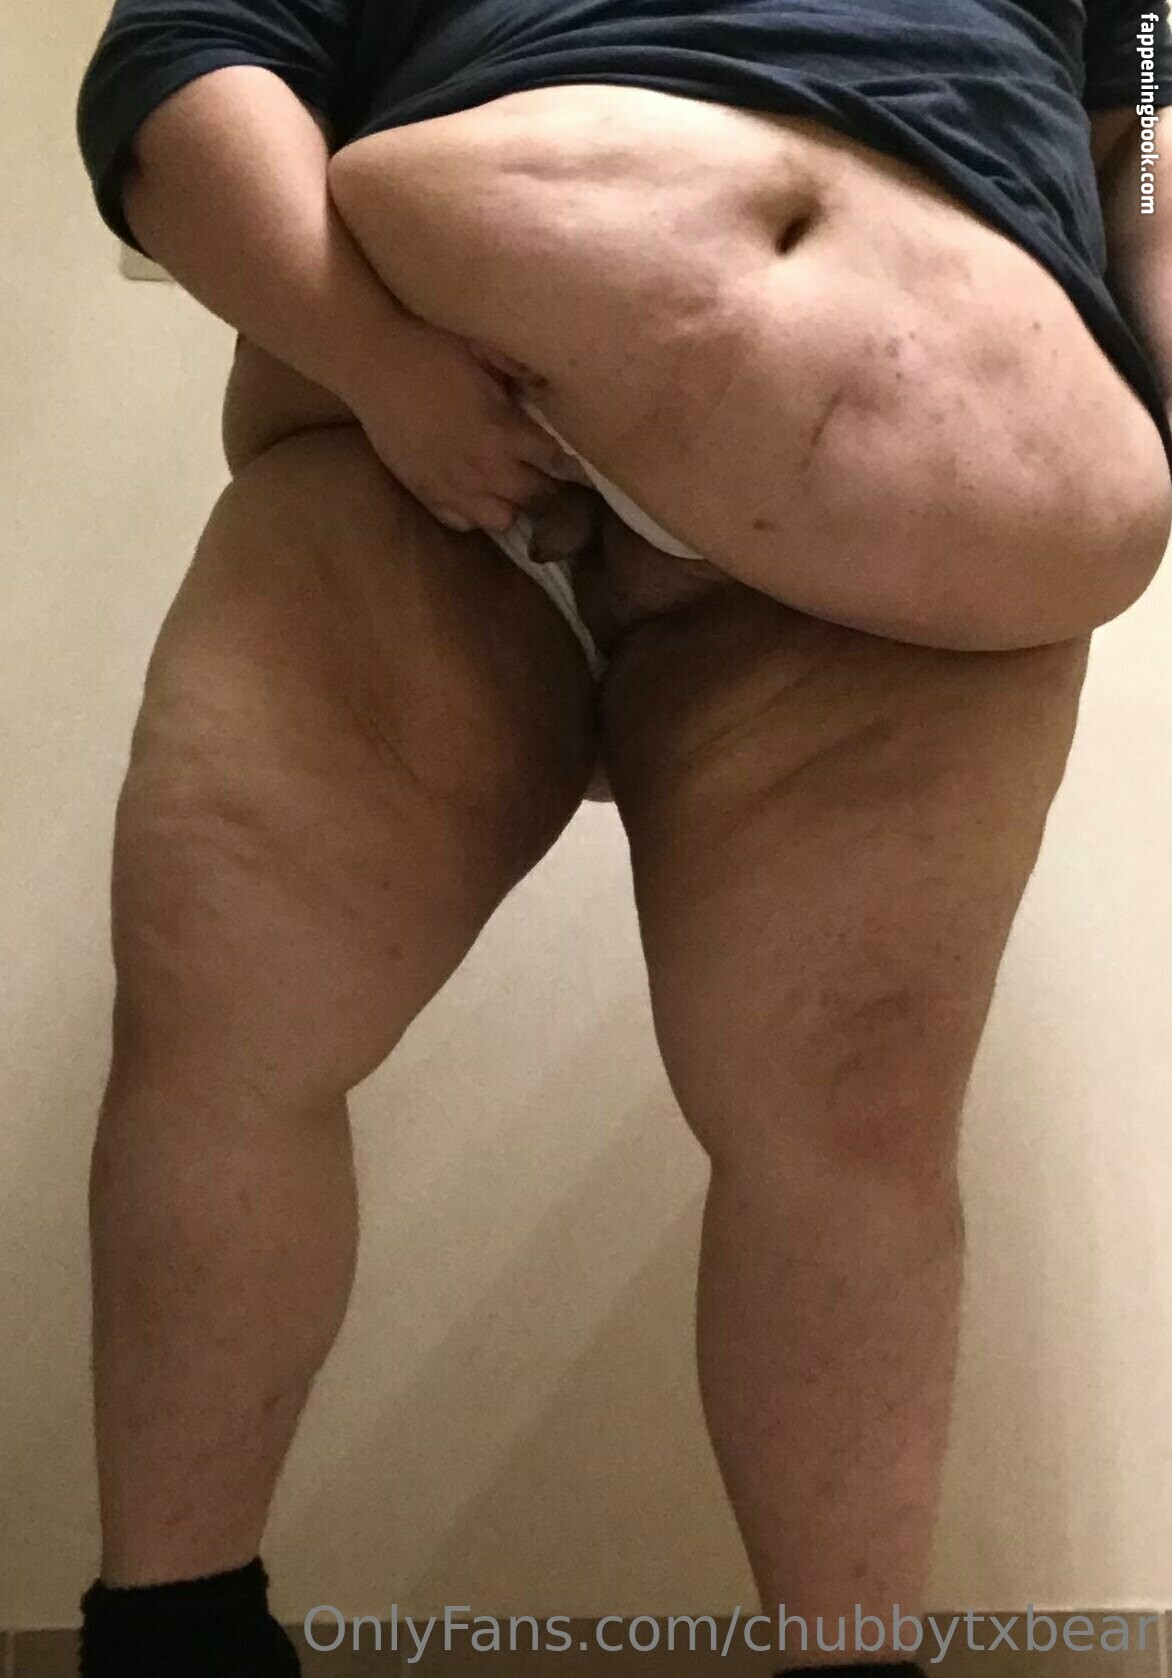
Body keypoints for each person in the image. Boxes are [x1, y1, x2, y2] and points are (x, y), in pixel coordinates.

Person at [73, 1, 1171, 1674]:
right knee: (226, 1024)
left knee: (850, 1132)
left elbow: (1149, 136)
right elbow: (184, 55)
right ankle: (173, 1645)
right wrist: (375, 359)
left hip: (899, 502)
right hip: (416, 429)